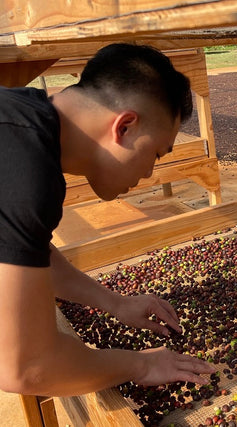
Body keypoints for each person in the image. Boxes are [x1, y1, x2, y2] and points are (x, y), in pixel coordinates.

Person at [0, 43, 216, 397]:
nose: (148, 172)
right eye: (156, 153)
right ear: (125, 126)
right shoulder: (26, 170)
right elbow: (27, 368)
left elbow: (21, 248)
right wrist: (141, 364)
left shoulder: (21, 119)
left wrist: (115, 302)